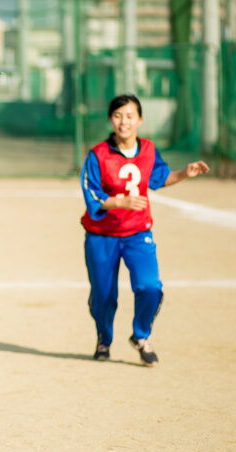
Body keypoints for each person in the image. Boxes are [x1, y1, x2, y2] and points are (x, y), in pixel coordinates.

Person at [80, 94, 209, 366]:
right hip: (101, 236)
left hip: (138, 233)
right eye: (117, 116)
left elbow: (160, 178)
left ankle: (141, 336)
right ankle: (104, 338)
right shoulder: (98, 155)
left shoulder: (148, 150)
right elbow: (91, 193)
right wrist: (119, 202)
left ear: (139, 119)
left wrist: (185, 173)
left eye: (129, 116)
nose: (123, 122)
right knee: (104, 296)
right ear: (110, 120)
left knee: (150, 287)